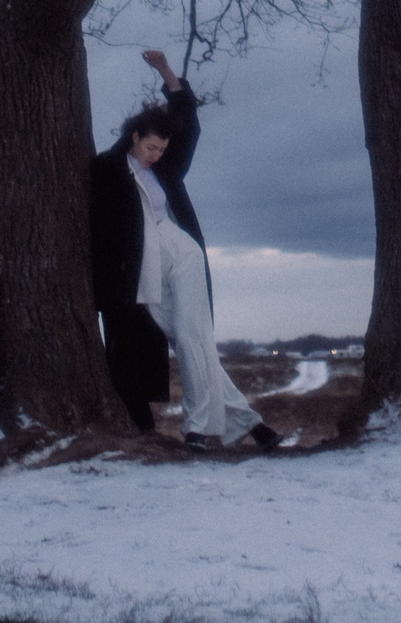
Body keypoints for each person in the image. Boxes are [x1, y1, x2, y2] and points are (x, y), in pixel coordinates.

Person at [87, 48, 282, 450]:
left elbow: (188, 120)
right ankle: (244, 421)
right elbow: (99, 229)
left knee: (193, 333)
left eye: (162, 149)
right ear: (135, 136)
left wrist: (166, 72)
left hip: (182, 254)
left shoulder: (168, 169)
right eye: (151, 148)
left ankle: (197, 428)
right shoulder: (107, 170)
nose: (156, 155)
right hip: (140, 268)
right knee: (192, 338)